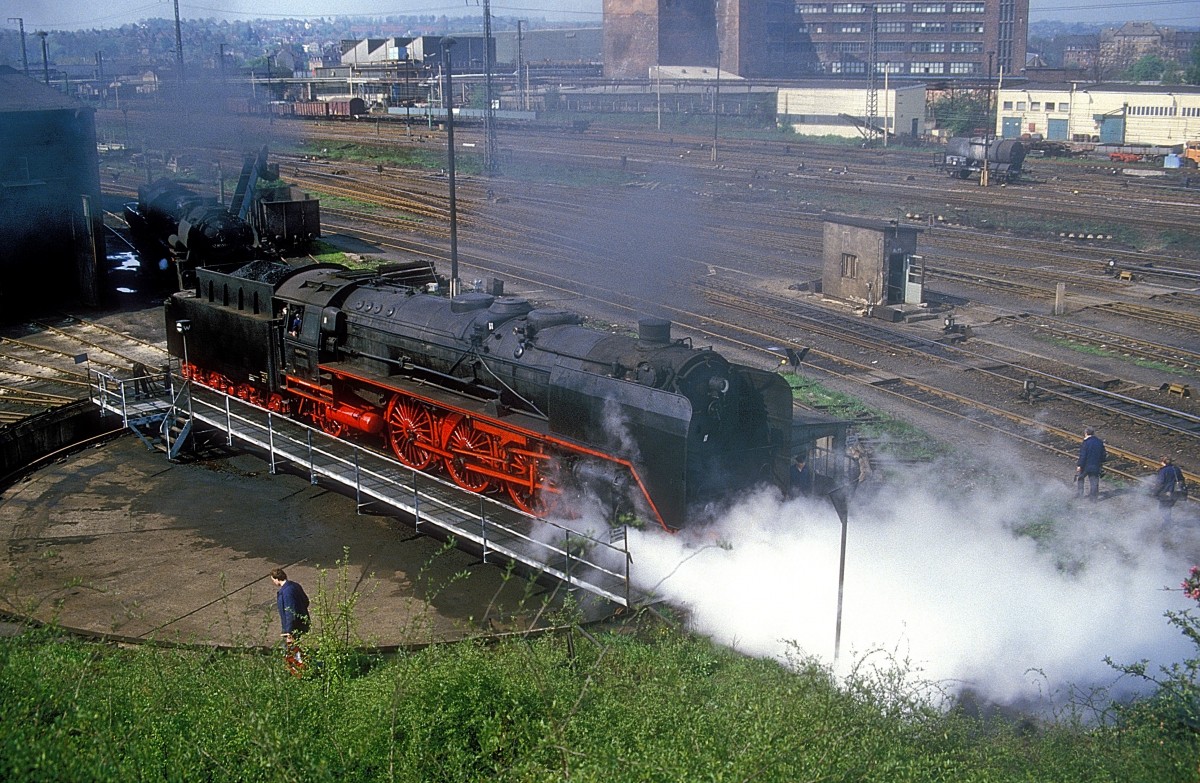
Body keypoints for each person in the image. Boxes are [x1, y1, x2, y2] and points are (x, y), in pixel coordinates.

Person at [270, 568, 310, 642]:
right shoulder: (295, 585)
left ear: (277, 579)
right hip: (301, 622)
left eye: (273, 580)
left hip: (293, 626)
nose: (273, 582)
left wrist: (289, 631)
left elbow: (290, 612)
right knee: (295, 647)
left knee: (289, 649)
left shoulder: (286, 592)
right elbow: (306, 601)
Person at [1152, 456, 1186, 527]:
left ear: (1163, 462)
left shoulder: (1163, 470)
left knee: (1163, 508)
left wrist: (1155, 492)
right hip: (1176, 492)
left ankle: (1168, 524)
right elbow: (1182, 479)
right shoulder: (1176, 469)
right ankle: (1168, 522)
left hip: (1166, 493)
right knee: (1168, 507)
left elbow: (1160, 483)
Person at [1075, 427, 1107, 501]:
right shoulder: (1099, 442)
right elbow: (1103, 455)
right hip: (1096, 465)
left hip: (1086, 466)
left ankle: (1080, 495)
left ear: (1086, 433)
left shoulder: (1086, 443)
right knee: (1094, 482)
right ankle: (1093, 499)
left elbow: (1083, 455)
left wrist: (1079, 465)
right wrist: (1100, 463)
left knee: (1080, 478)